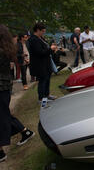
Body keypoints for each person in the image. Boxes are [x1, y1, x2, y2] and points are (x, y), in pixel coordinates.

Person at [0, 25, 35, 162]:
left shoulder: (2, 51)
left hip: (2, 87)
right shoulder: (7, 49)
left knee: (2, 116)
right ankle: (25, 132)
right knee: (4, 114)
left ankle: (1, 152)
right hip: (4, 86)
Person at [28, 22, 55, 102]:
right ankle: (41, 98)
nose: (44, 33)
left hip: (46, 63)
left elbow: (45, 50)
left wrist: (51, 49)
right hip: (39, 64)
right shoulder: (33, 39)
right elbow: (39, 52)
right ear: (37, 30)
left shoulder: (40, 38)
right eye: (42, 31)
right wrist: (50, 49)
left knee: (47, 79)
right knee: (42, 80)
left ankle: (47, 95)